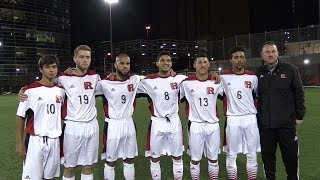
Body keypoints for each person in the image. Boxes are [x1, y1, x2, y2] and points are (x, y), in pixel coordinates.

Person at [19, 45, 100, 180]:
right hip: (72, 127)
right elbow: (45, 84)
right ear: (74, 58)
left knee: (88, 165)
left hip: (92, 125)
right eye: (81, 57)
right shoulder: (63, 78)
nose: (85, 60)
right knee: (69, 167)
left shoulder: (96, 77)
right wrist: (23, 90)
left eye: (88, 57)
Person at [256, 41, 306, 180]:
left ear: (277, 53)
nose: (270, 54)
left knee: (290, 158)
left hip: (286, 125)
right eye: (267, 52)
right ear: (262, 54)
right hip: (266, 127)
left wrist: (300, 114)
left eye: (273, 51)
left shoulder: (290, 69)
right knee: (268, 160)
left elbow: (299, 92)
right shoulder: (257, 73)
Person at [137, 51, 186, 180]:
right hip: (157, 122)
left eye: (168, 60)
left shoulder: (180, 79)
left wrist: (213, 75)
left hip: (174, 121)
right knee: (154, 157)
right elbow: (128, 85)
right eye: (163, 60)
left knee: (177, 156)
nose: (166, 63)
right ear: (157, 63)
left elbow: (197, 80)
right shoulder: (147, 81)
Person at [16, 55, 65, 180]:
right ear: (41, 69)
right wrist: (20, 142)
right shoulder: (30, 90)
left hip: (54, 140)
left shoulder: (61, 91)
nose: (51, 70)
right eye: (47, 67)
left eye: (54, 67)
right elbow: (20, 116)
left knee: (49, 177)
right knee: (32, 178)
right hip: (35, 141)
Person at [95, 53, 139, 180]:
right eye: (121, 63)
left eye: (127, 63)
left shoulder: (134, 79)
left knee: (130, 159)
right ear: (115, 65)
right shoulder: (104, 83)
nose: (125, 66)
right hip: (113, 125)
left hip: (129, 123)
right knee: (110, 160)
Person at [180, 52, 222, 180]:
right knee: (195, 159)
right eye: (199, 62)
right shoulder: (186, 83)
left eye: (205, 62)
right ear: (194, 65)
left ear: (209, 64)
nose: (202, 65)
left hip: (213, 125)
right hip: (196, 126)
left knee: (213, 159)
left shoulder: (217, 81)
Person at [220, 47, 260, 180]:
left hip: (250, 119)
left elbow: (256, 95)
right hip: (233, 119)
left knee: (252, 153)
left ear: (245, 59)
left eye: (242, 57)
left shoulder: (253, 77)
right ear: (231, 60)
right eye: (236, 57)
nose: (239, 60)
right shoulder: (223, 77)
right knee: (231, 154)